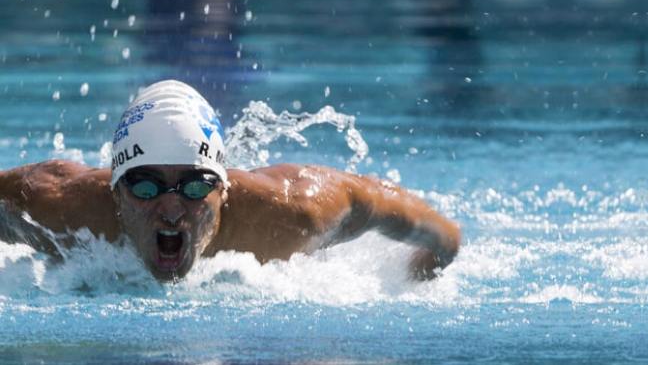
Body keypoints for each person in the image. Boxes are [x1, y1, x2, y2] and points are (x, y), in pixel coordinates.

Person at [0, 80, 460, 282]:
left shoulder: (289, 214)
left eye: (196, 186)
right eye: (145, 187)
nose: (172, 209)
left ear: (224, 188)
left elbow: (397, 211)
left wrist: (433, 260)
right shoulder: (60, 208)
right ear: (115, 190)